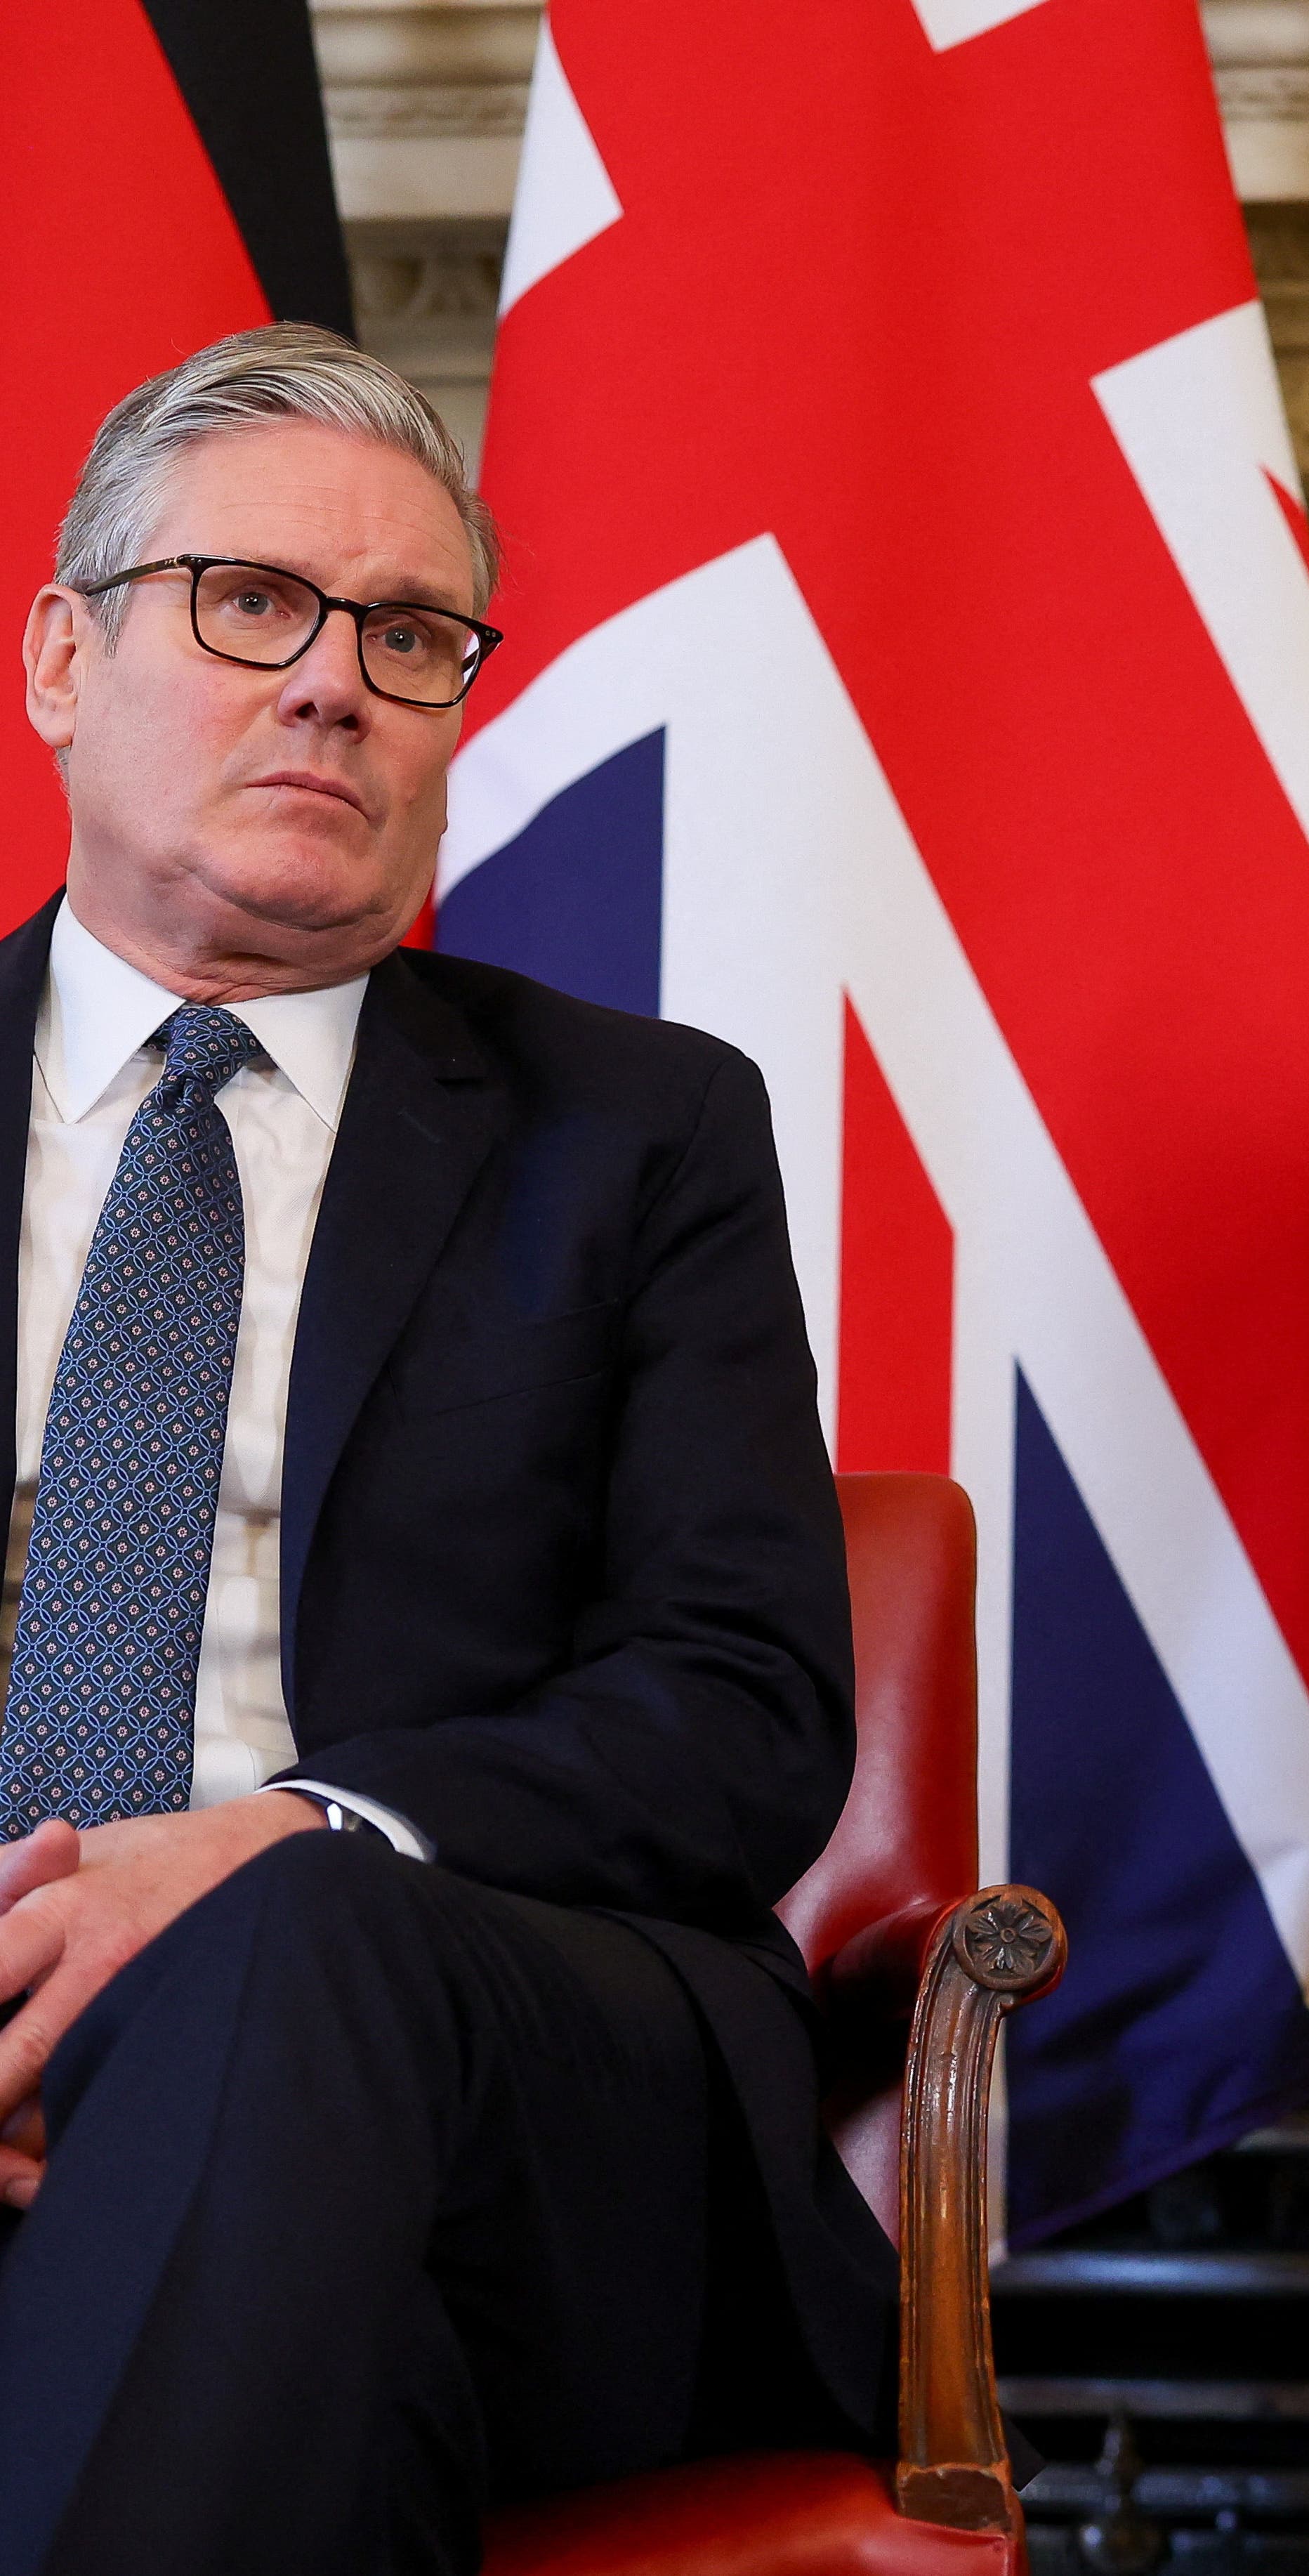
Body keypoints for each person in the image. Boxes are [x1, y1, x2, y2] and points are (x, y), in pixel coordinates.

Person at [0, 324, 893, 2572]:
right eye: (251, 602)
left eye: (409, 636)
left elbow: (742, 1710)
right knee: (331, 2390)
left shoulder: (639, 1134)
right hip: (264, 2210)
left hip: (498, 2073)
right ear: (60, 660)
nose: (334, 684)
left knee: (297, 1940)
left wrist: (266, 1844)